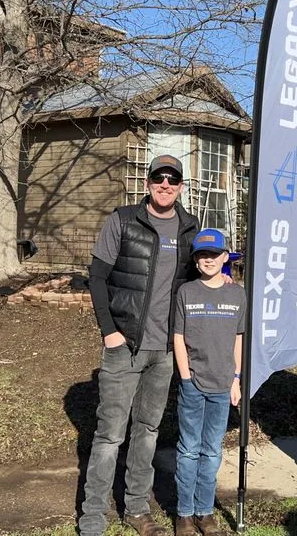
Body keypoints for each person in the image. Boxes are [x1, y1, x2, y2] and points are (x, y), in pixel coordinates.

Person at [78, 155, 200, 536]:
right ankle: (93, 516)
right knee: (110, 434)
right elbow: (97, 278)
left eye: (173, 179)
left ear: (181, 186)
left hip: (164, 350)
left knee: (147, 430)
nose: (166, 184)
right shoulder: (123, 220)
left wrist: (226, 282)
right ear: (148, 182)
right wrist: (109, 331)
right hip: (124, 346)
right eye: (159, 178)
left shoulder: (189, 228)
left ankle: (135, 507)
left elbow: (201, 276)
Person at [171, 228, 245, 536]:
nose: (208, 260)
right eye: (202, 255)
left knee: (212, 450)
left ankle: (205, 512)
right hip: (193, 384)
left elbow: (238, 340)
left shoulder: (236, 293)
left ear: (225, 257)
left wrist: (237, 379)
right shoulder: (187, 292)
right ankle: (185, 515)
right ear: (196, 261)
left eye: (214, 254)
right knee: (189, 449)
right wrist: (186, 377)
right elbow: (178, 338)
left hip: (223, 384)